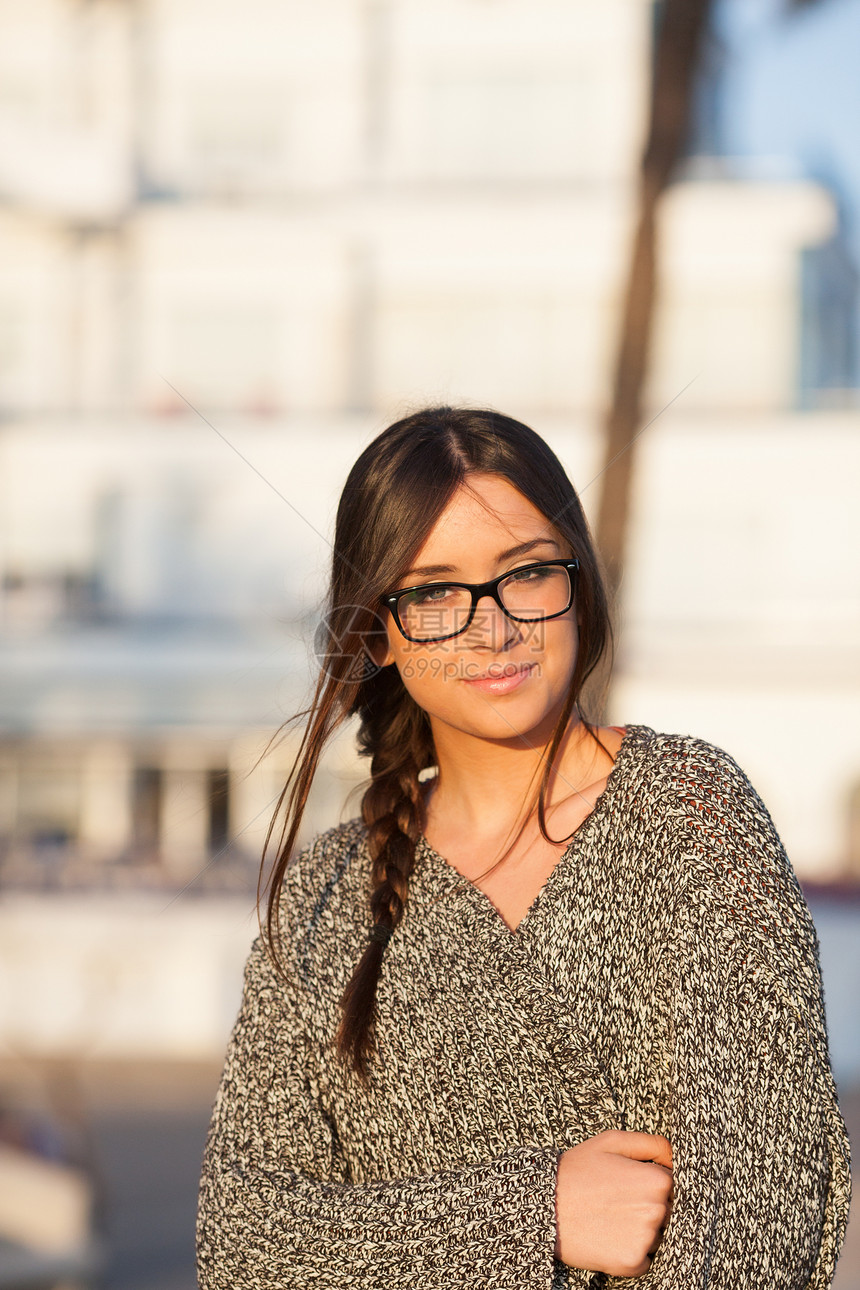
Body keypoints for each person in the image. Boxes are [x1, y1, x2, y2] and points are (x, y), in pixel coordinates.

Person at [197, 406, 852, 1288]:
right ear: (380, 631)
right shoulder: (328, 891)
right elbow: (243, 1242)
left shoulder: (690, 815)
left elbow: (763, 1191)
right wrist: (538, 1212)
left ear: (577, 578)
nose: (492, 627)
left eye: (527, 573)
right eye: (433, 592)